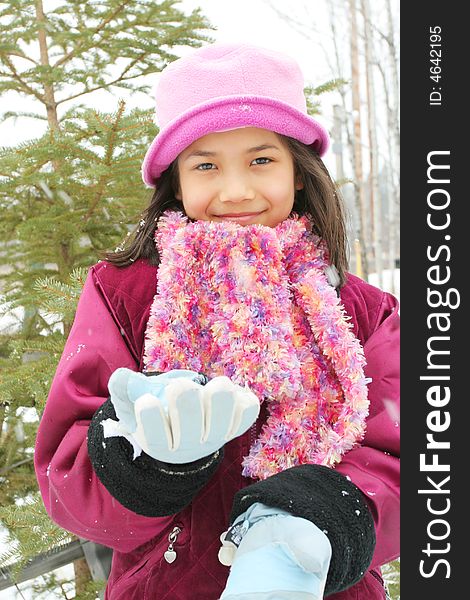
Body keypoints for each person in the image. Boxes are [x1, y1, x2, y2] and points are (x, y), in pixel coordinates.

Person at [34, 42, 400, 600]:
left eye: (261, 160)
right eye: (205, 164)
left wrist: (327, 516)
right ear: (176, 182)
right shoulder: (124, 294)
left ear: (298, 171)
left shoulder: (363, 312)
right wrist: (146, 467)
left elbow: (403, 458)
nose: (236, 191)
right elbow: (70, 478)